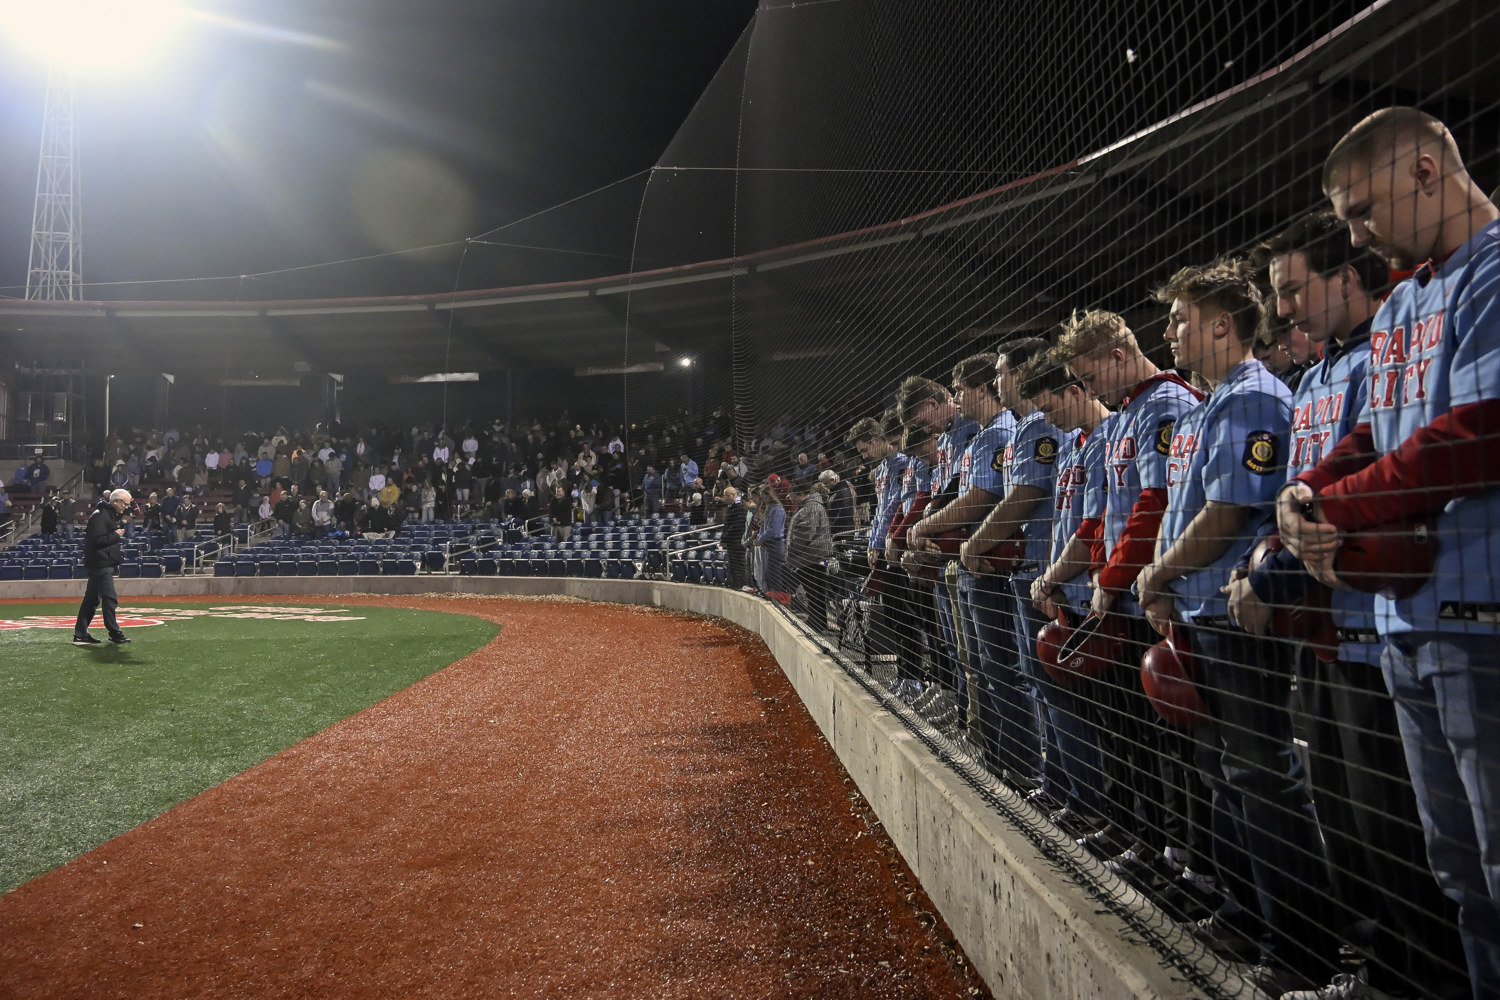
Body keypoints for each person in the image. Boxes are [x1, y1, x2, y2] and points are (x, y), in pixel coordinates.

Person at [1279, 106, 1500, 1000]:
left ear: (1423, 170)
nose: (1358, 236)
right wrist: (1304, 499)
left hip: (1487, 620)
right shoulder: (1407, 298)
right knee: (1457, 874)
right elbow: (1373, 434)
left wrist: (1330, 505)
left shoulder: (1494, 266)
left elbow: (1475, 433)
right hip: (1408, 617)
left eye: (1363, 211)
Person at [1136, 257, 1337, 995]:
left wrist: (1157, 574)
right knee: (1225, 774)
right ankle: (1247, 912)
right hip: (1196, 614)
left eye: (1182, 320)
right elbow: (1179, 512)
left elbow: (1224, 517)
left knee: (1261, 775)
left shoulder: (1252, 398)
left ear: (1222, 325)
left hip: (1236, 617)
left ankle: (1301, 944)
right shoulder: (1203, 406)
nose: (1171, 332)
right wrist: (1161, 582)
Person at [73, 489, 133, 646]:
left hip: (101, 562)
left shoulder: (106, 514)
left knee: (91, 600)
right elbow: (97, 540)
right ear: (116, 502)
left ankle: (80, 634)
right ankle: (114, 632)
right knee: (109, 597)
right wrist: (116, 535)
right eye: (125, 504)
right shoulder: (100, 516)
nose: (126, 507)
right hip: (100, 563)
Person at [788, 481, 834, 628]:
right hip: (811, 556)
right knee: (816, 593)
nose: (790, 498)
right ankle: (818, 622)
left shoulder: (811, 507)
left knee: (814, 593)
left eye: (793, 495)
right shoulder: (810, 506)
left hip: (810, 558)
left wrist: (790, 553)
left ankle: (816, 623)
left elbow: (804, 535)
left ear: (801, 494)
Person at [721, 485, 750, 589]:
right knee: (733, 566)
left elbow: (736, 525)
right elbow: (727, 525)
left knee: (739, 566)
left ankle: (742, 586)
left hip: (737, 541)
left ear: (732, 495)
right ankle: (736, 585)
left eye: (725, 496)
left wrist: (725, 538)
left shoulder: (738, 507)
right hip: (731, 542)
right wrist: (723, 538)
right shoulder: (732, 507)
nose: (724, 498)